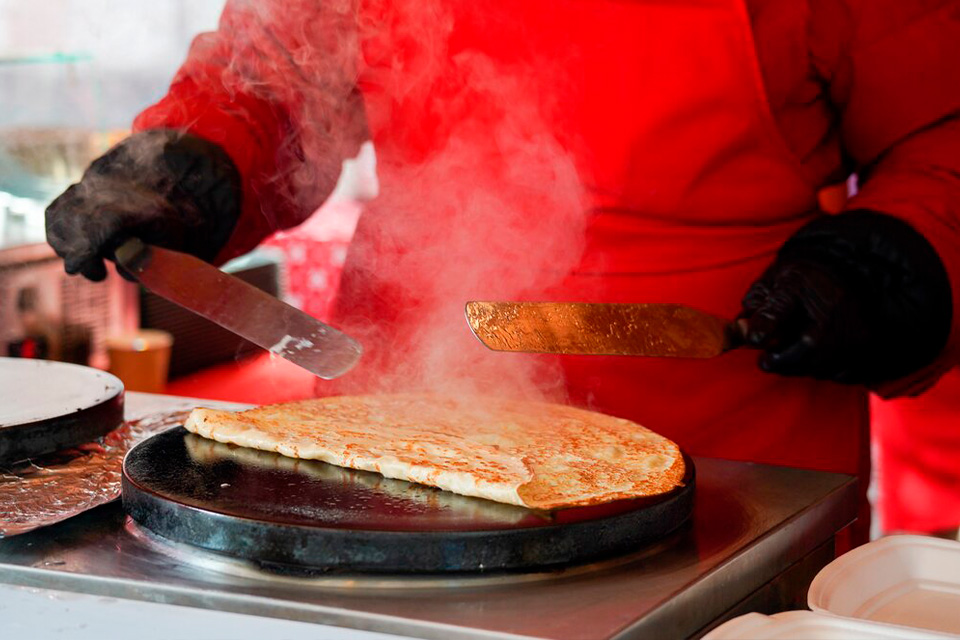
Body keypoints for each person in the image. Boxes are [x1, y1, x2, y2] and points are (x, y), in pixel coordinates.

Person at [45, 0, 960, 545]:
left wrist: (899, 254)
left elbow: (940, 129)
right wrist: (192, 164)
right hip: (397, 427)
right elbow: (278, 77)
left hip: (736, 451)